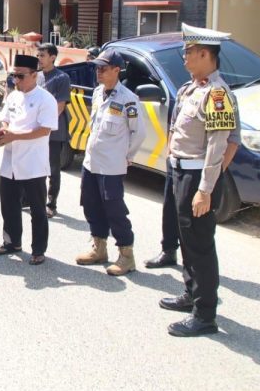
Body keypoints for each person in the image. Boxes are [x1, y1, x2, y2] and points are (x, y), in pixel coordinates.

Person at [159, 24, 237, 337]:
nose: (184, 57)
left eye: (189, 52)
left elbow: (222, 143)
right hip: (181, 172)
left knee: (201, 245)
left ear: (205, 54)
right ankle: (192, 293)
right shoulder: (191, 88)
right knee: (188, 241)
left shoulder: (217, 94)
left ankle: (205, 315)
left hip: (197, 177)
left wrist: (206, 188)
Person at [144, 94, 241, 269]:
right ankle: (168, 250)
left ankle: (197, 274)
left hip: (197, 170)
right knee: (170, 209)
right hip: (176, 165)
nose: (186, 65)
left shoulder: (220, 96)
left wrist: (217, 172)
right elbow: (174, 127)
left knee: (194, 225)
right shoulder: (185, 91)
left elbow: (232, 140)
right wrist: (170, 156)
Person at [75, 49, 146, 276]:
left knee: (114, 209)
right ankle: (99, 247)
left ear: (117, 70)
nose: (99, 72)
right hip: (92, 162)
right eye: (97, 68)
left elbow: (139, 133)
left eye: (103, 68)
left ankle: (126, 255)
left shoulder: (128, 99)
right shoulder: (97, 93)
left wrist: (127, 156)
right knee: (90, 204)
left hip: (112, 165)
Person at [0, 54, 57, 266]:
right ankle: (12, 242)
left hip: (33, 164)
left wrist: (14, 136)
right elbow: (5, 119)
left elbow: (45, 129)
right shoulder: (13, 97)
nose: (15, 81)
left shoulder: (46, 99)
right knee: (8, 205)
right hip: (10, 161)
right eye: (13, 76)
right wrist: (2, 131)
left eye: (20, 76)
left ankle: (38, 249)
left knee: (37, 210)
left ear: (34, 75)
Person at [36, 43, 71, 218]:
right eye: (38, 55)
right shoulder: (37, 76)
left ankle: (51, 203)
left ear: (52, 57)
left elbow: (60, 106)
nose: (39, 58)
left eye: (42, 55)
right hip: (37, 130)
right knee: (36, 166)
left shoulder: (61, 78)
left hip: (54, 131)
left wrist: (45, 127)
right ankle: (32, 198)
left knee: (53, 168)